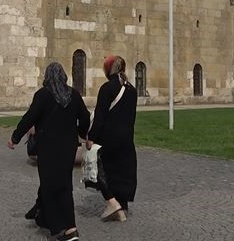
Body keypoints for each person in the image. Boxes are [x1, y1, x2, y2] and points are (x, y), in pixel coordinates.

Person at [9, 62, 90, 241]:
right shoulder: (73, 95)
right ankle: (54, 219)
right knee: (64, 184)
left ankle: (61, 228)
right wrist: (82, 134)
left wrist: (15, 137)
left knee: (49, 185)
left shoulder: (43, 95)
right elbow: (85, 117)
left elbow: (29, 118)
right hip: (68, 148)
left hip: (48, 148)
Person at [87, 55, 138, 222]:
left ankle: (113, 203)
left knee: (100, 169)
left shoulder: (107, 88)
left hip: (108, 137)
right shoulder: (132, 89)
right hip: (126, 137)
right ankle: (122, 205)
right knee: (122, 171)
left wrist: (91, 137)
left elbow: (100, 117)